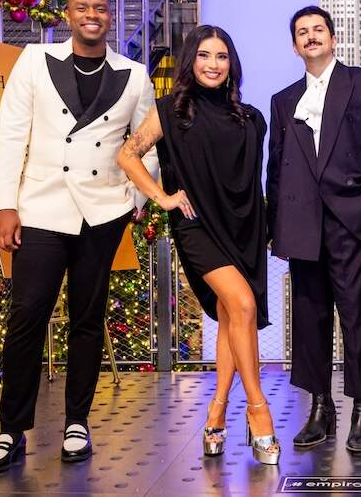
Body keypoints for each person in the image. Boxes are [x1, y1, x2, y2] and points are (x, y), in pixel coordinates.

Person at [0, 0, 158, 475]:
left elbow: (148, 144)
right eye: (82, 7)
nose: (92, 14)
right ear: (68, 14)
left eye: (100, 7)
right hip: (40, 208)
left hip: (103, 211)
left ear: (110, 15)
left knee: (87, 318)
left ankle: (77, 422)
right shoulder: (35, 61)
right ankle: (10, 429)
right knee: (27, 315)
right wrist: (4, 205)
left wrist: (138, 197)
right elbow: (10, 135)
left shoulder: (134, 74)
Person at [116, 24, 280, 465]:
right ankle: (259, 410)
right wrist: (162, 197)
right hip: (196, 226)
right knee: (242, 304)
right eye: (204, 55)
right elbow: (127, 154)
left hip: (243, 228)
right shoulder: (169, 111)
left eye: (222, 56)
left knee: (232, 317)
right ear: (191, 61)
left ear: (232, 64)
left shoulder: (252, 118)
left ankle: (216, 413)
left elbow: (251, 179)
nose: (213, 64)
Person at [267, 6, 361, 453]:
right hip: (301, 224)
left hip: (350, 221)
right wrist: (276, 226)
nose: (311, 36)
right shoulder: (284, 100)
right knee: (309, 320)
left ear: (333, 38)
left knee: (359, 317)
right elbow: (275, 168)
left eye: (318, 30)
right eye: (302, 32)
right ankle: (320, 408)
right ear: (294, 46)